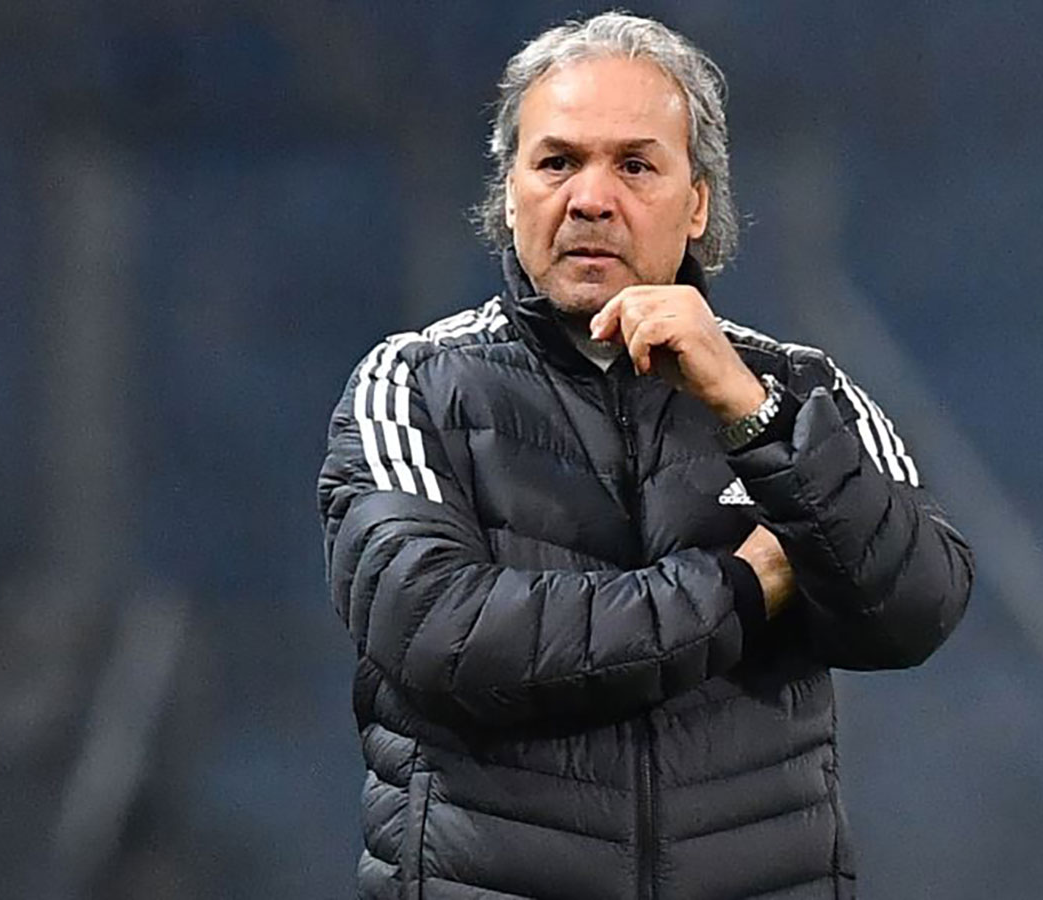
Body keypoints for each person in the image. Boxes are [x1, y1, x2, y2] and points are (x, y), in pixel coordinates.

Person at [317, 12, 973, 899]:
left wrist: (750, 412)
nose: (590, 198)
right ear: (509, 194)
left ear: (697, 202)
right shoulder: (413, 384)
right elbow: (444, 635)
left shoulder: (800, 390)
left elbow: (916, 608)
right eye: (557, 162)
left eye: (634, 165)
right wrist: (743, 586)